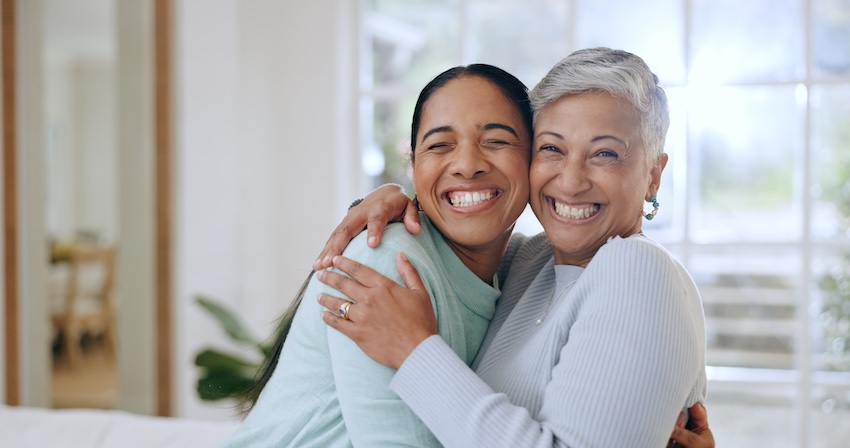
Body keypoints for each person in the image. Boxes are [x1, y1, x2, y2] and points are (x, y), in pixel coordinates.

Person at [314, 47, 711, 447]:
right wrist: (397, 198)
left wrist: (413, 350)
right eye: (552, 149)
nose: (570, 181)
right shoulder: (528, 263)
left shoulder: (638, 269)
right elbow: (465, 226)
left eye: (605, 154)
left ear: (653, 176)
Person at [222, 63, 534, 447]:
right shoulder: (386, 262)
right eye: (439, 145)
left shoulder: (520, 269)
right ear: (414, 166)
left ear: (536, 158)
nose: (468, 165)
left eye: (497, 141)